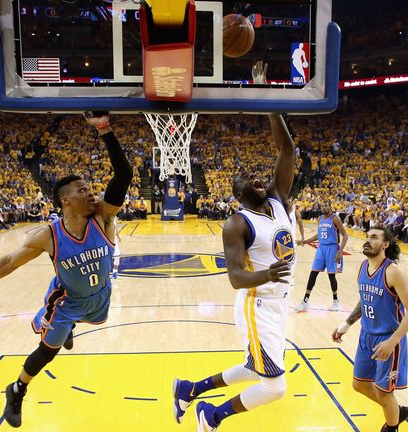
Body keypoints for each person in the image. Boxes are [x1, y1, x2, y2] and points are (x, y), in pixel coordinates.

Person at [0, 111, 131, 429]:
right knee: (48, 350)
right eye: (82, 190)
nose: (90, 192)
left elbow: (123, 174)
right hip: (68, 301)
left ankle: (68, 328)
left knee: (89, 321)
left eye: (89, 188)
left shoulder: (103, 217)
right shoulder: (48, 236)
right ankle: (17, 390)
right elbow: (7, 264)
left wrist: (105, 130)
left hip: (101, 295)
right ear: (65, 201)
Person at [172, 61, 296, 432]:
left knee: (254, 365)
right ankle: (212, 415)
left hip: (280, 300)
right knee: (275, 386)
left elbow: (287, 149)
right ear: (236, 193)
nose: (258, 180)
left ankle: (190, 388)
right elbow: (236, 277)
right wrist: (267, 273)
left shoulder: (278, 198)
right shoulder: (237, 223)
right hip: (258, 303)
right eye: (248, 180)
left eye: (259, 176)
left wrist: (265, 98)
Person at [332, 226, 408, 432]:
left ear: (385, 245)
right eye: (367, 236)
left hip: (388, 339)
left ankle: (391, 426)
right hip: (366, 336)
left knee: (384, 393)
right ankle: (396, 411)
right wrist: (346, 324)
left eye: (374, 237)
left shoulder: (393, 271)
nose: (368, 240)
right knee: (359, 384)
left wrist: (392, 341)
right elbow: (365, 299)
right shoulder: (363, 266)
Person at [295, 201, 348, 312]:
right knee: (313, 273)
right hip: (321, 248)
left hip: (332, 248)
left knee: (331, 276)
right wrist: (305, 241)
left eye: (326, 205)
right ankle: (305, 300)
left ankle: (336, 301)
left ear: (330, 206)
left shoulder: (335, 219)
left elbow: (345, 235)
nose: (323, 207)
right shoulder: (320, 218)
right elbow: (318, 235)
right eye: (322, 206)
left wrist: (340, 251)